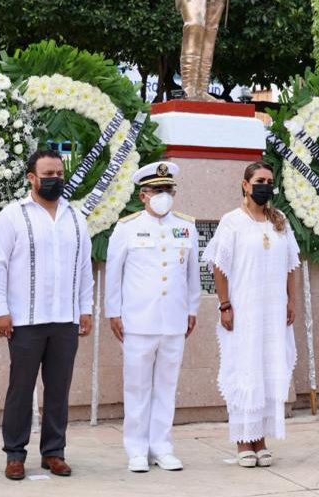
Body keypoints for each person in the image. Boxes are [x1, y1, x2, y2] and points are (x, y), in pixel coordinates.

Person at [0, 149, 93, 481]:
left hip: (65, 319)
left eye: (59, 174)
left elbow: (84, 268)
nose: (55, 180)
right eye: (48, 174)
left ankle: (54, 452)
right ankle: (15, 454)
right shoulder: (12, 216)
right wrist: (0, 311)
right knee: (21, 388)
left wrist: (85, 309)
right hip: (25, 320)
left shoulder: (76, 217)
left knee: (59, 389)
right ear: (31, 177)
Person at [105, 161, 201, 473]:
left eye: (168, 190)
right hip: (138, 321)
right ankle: (136, 448)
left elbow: (191, 275)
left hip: (173, 320)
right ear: (143, 195)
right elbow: (114, 274)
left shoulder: (186, 226)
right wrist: (113, 312)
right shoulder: (127, 227)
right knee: (136, 386)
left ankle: (162, 445)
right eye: (157, 190)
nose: (164, 195)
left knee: (166, 386)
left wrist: (192, 309)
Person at [202, 161, 299, 468]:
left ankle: (262, 440)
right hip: (244, 309)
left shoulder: (279, 220)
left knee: (268, 370)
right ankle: (244, 441)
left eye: (270, 181)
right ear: (245, 184)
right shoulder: (232, 221)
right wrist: (225, 304)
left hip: (273, 311)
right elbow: (219, 265)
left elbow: (291, 265)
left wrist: (290, 301)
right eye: (259, 180)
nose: (265, 186)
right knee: (246, 369)